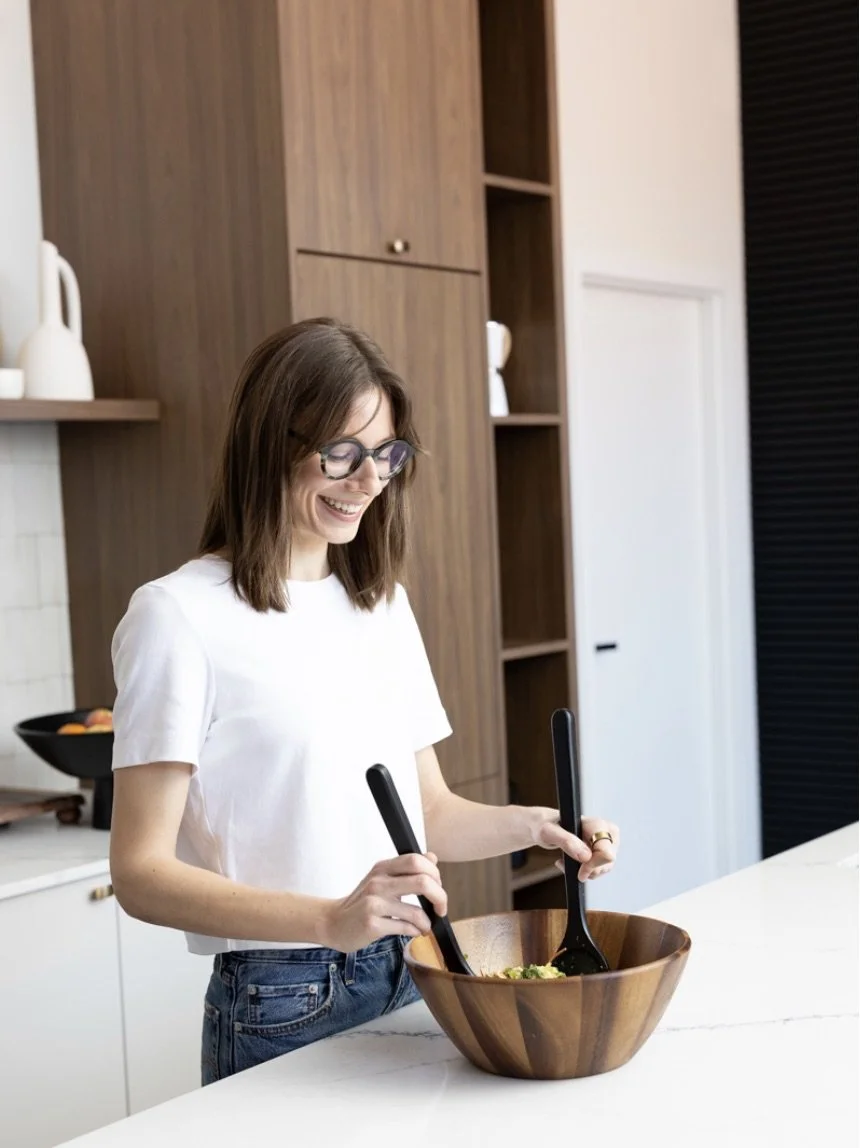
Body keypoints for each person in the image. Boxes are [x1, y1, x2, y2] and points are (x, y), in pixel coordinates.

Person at [108, 318, 620, 1084]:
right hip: (281, 998)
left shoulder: (379, 604)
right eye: (341, 453)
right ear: (268, 444)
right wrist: (329, 919)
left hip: (411, 966)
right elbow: (139, 872)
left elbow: (431, 814)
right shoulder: (177, 614)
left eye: (386, 454)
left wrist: (545, 828)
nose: (369, 479)